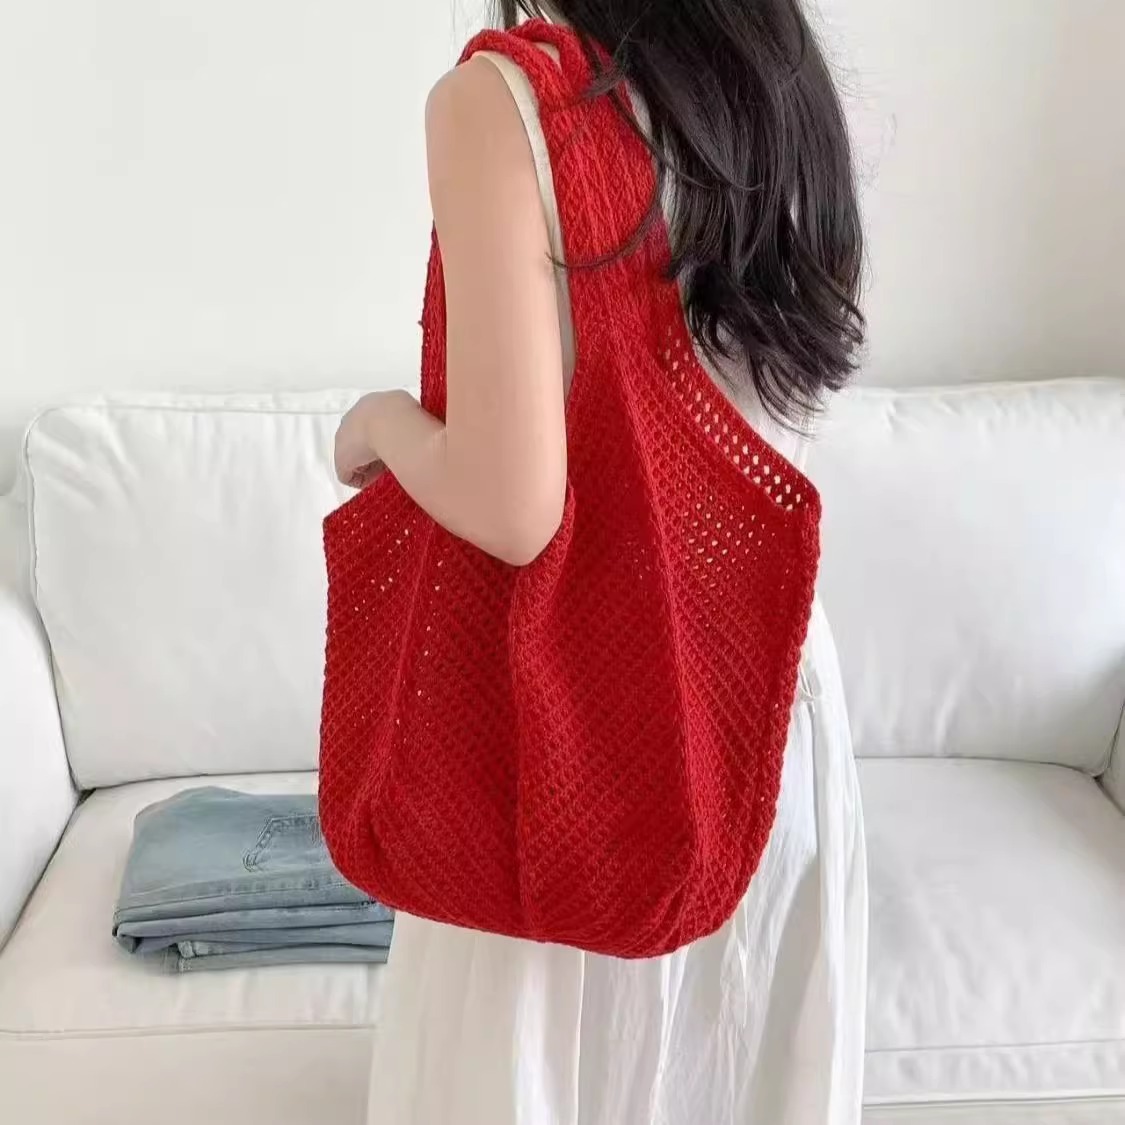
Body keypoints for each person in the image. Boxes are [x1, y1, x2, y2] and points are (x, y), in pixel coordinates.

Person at [332, 2, 867, 1122]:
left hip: (567, 737)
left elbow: (512, 506)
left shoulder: (501, 104)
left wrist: (379, 423)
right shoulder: (768, 72)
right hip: (769, 712)